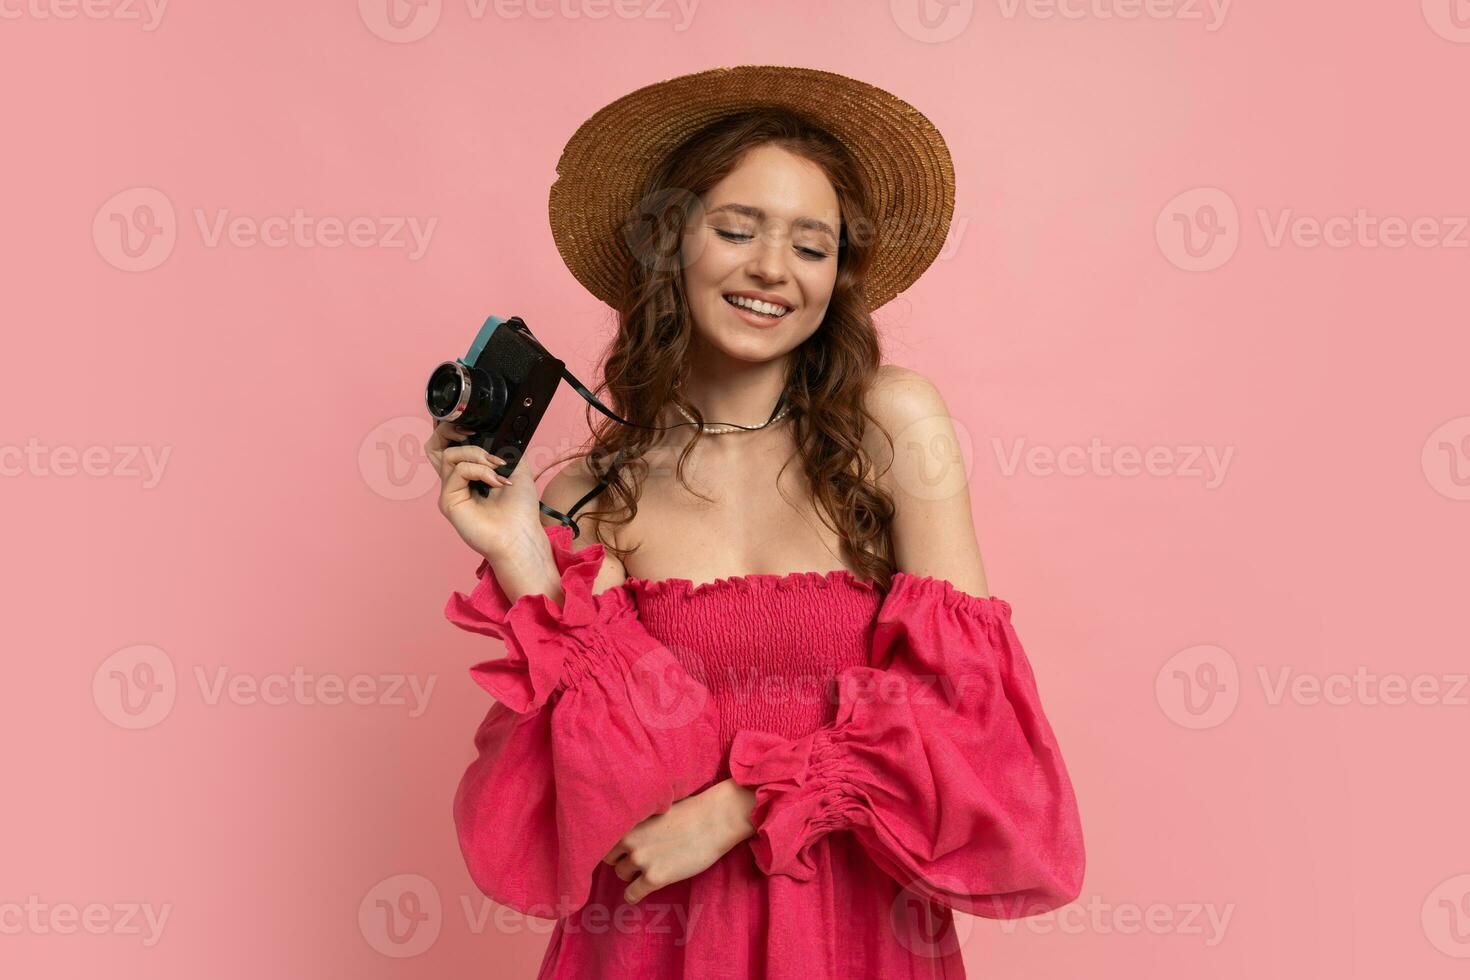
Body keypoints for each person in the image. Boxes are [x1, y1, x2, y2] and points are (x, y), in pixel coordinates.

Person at [425, 65, 1086, 979]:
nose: (773, 268)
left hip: (852, 933)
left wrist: (742, 806)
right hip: (649, 942)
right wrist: (522, 558)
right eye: (737, 230)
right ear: (672, 245)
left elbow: (969, 721)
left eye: (811, 247)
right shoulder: (586, 491)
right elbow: (605, 777)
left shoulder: (894, 424)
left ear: (836, 277)